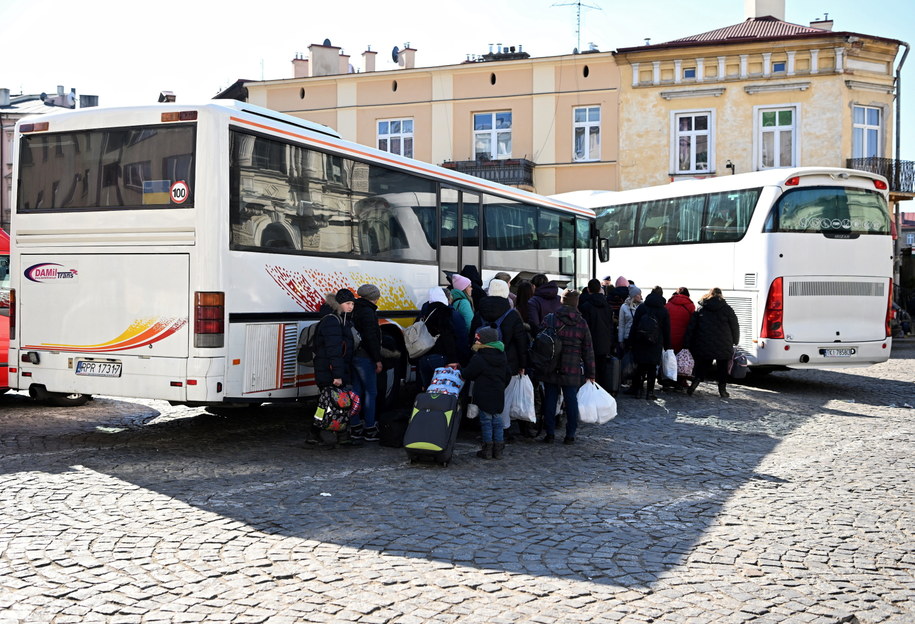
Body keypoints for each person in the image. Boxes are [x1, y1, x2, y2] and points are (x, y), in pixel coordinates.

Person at [540, 289, 595, 445]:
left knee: (550, 399)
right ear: (576, 303)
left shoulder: (551, 319)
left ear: (562, 301)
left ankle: (549, 433)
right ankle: (570, 434)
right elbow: (588, 350)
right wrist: (591, 373)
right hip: (572, 368)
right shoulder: (581, 323)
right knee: (571, 401)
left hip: (551, 366)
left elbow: (541, 341)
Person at [462, 327, 511, 460]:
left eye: (478, 339)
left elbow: (468, 373)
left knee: (486, 421)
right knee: (497, 419)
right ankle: (498, 450)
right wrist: (501, 386)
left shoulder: (480, 357)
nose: (476, 341)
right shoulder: (502, 355)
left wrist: (460, 369)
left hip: (484, 394)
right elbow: (508, 374)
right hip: (498, 393)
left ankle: (487, 449)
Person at [684, 287, 740, 398]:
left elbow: (692, 327)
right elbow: (735, 326)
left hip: (704, 343)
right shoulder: (727, 309)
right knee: (722, 368)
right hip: (723, 343)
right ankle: (722, 391)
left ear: (709, 294)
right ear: (721, 295)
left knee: (702, 366)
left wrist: (688, 343)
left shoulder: (701, 309)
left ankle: (693, 385)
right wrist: (735, 340)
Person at [350, 284, 383, 443]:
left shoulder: (354, 308)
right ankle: (370, 428)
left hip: (354, 355)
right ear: (373, 297)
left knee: (356, 391)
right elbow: (371, 338)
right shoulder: (368, 312)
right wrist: (377, 359)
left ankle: (355, 426)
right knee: (371, 392)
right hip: (365, 357)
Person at [628, 286, 671, 401]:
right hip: (655, 343)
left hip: (640, 341)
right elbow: (666, 330)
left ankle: (638, 391)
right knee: (652, 368)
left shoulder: (642, 307)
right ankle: (650, 393)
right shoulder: (663, 310)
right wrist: (667, 346)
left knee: (640, 367)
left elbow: (635, 325)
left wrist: (630, 341)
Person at [417, 287, 460, 389]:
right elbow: (447, 335)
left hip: (423, 357)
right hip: (439, 356)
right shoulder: (444, 311)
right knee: (440, 391)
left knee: (428, 390)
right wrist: (452, 359)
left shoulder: (425, 311)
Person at [579, 278, 616, 391]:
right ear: (600, 289)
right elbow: (611, 325)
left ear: (589, 290)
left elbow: (584, 327)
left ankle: (591, 393)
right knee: (602, 370)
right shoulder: (607, 306)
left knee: (590, 370)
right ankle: (602, 394)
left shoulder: (585, 306)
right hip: (604, 342)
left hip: (590, 343)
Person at [666, 287, 696, 352]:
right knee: (682, 360)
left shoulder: (668, 305)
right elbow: (693, 323)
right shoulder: (691, 306)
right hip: (684, 340)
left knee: (670, 360)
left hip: (669, 339)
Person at [618, 285, 642, 349]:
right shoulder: (624, 307)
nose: (640, 296)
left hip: (639, 337)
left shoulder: (642, 306)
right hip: (627, 336)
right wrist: (620, 340)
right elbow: (621, 324)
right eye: (639, 294)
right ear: (634, 296)